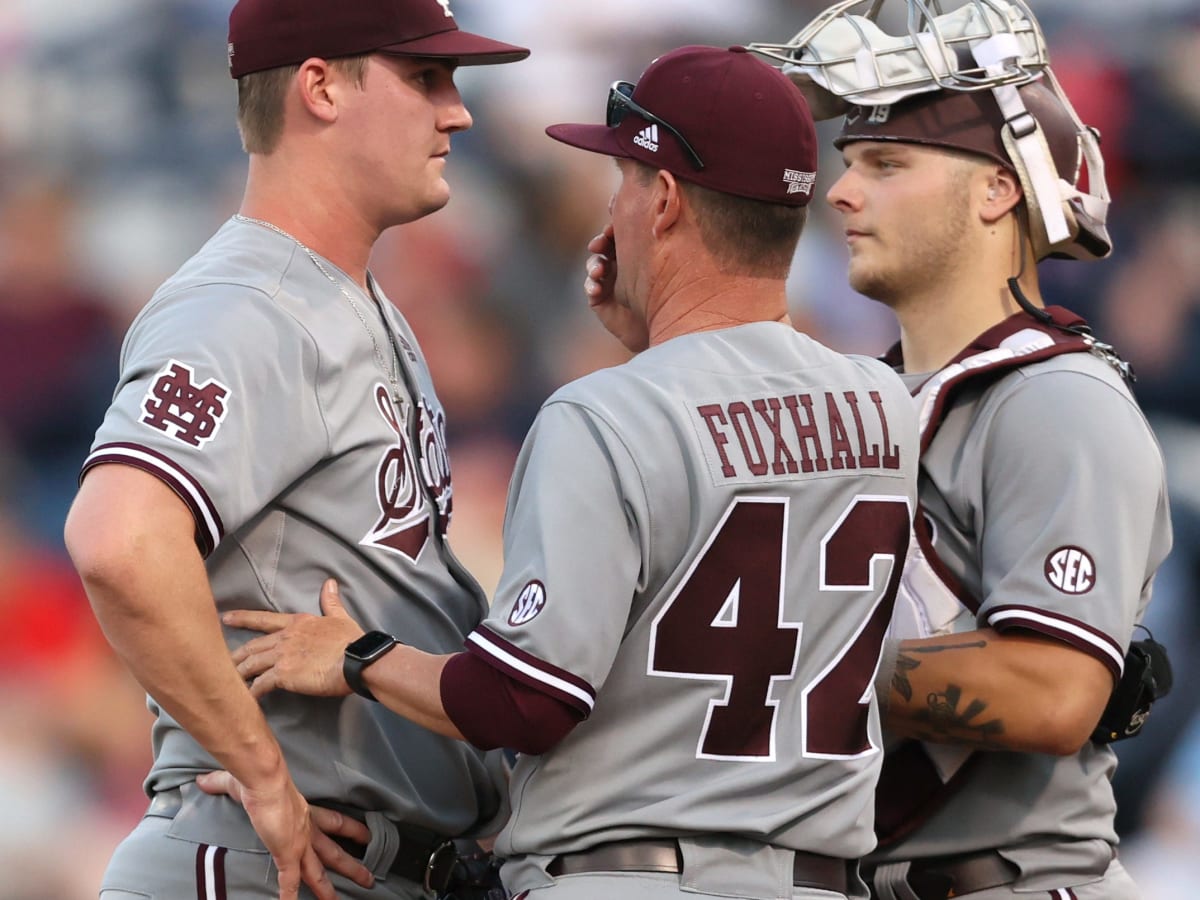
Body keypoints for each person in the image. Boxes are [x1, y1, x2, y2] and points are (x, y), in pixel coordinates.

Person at [215, 45, 920, 900]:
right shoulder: (885, 404)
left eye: (622, 181)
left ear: (663, 200)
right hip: (820, 880)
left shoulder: (607, 415)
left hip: (630, 875)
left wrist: (358, 654)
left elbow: (526, 701)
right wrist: (661, 343)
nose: (613, 207)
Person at [61, 1, 528, 898]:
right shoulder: (248, 305)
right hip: (265, 861)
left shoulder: (348, 301)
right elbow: (119, 539)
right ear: (320, 87)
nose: (457, 111)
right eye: (424, 77)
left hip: (369, 862)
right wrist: (265, 779)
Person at [747, 1, 1174, 897]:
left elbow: (1053, 690)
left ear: (997, 188)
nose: (841, 191)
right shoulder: (874, 395)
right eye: (849, 163)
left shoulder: (1057, 400)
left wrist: (779, 658)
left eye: (887, 165)